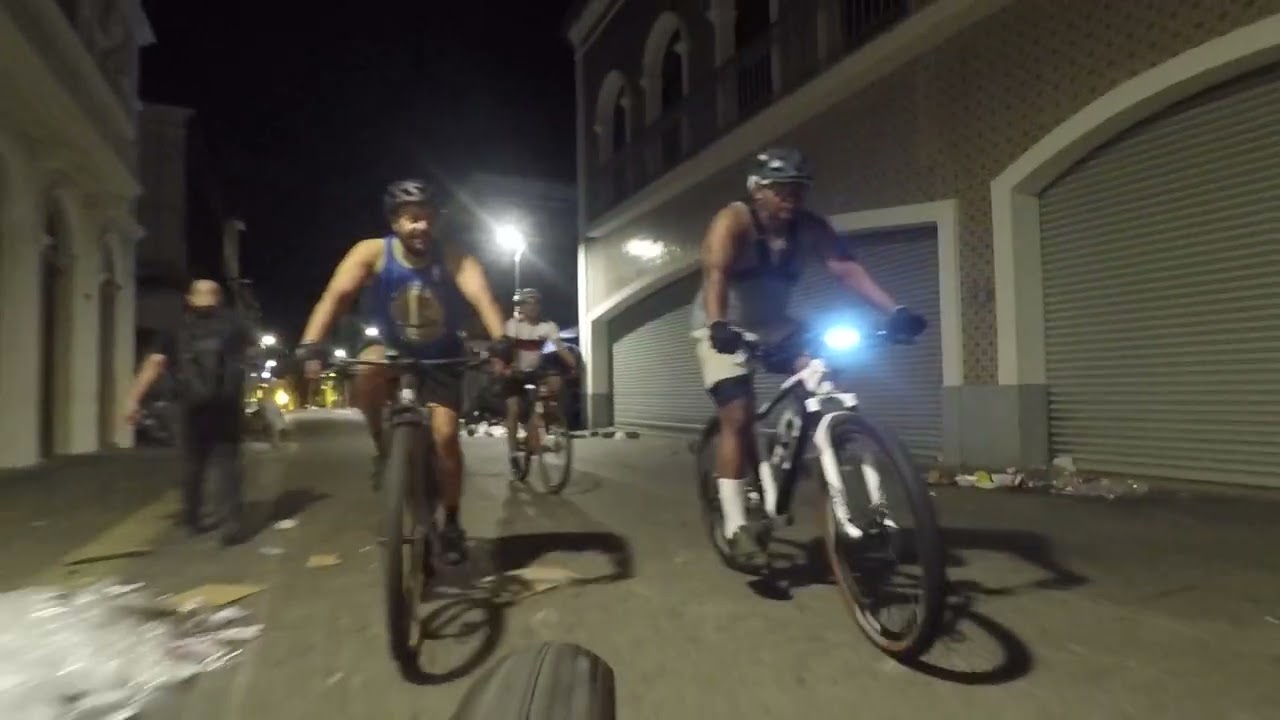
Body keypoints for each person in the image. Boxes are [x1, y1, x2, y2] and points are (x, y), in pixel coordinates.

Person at [692, 147, 929, 567]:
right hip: (722, 322)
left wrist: (896, 311)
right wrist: (717, 325)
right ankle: (735, 527)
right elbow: (716, 275)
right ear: (757, 190)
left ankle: (866, 505)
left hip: (776, 323)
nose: (791, 199)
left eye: (798, 191)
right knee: (738, 416)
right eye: (781, 190)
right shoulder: (733, 221)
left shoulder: (810, 227)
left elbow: (846, 269)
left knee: (824, 382)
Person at [295, 179, 508, 565]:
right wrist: (312, 343)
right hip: (390, 347)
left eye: (427, 218)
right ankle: (384, 447)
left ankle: (453, 522)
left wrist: (501, 341)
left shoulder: (454, 256)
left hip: (440, 353)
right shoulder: (371, 253)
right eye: (411, 219)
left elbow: (483, 298)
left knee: (445, 438)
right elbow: (336, 296)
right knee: (370, 367)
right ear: (394, 223)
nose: (420, 226)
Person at [124, 279, 256, 545]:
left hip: (191, 405)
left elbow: (155, 364)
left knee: (193, 462)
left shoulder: (177, 327)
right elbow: (251, 357)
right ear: (218, 297)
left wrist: (133, 399)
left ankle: (193, 518)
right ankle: (232, 522)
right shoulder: (235, 325)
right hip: (226, 405)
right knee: (227, 463)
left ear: (190, 298)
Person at [496, 288, 577, 474]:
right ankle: (513, 454)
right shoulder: (513, 324)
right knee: (514, 409)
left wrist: (574, 366)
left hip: (535, 371)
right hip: (514, 372)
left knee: (555, 383)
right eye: (528, 303)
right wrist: (507, 366)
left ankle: (546, 423)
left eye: (536, 303)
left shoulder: (548, 326)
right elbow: (507, 348)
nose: (532, 307)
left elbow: (560, 348)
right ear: (522, 306)